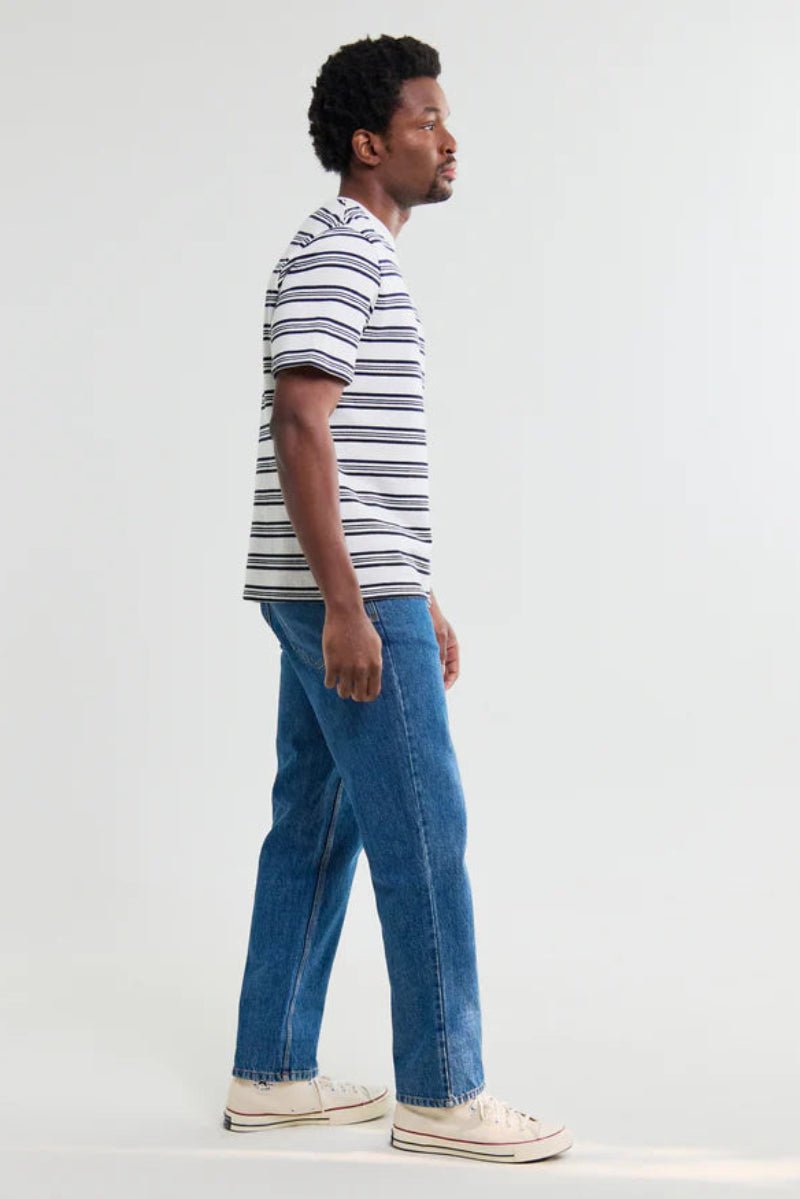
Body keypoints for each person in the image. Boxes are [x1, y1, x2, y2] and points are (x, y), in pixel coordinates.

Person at [223, 33, 573, 1164]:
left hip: (354, 585)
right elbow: (300, 423)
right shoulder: (343, 254)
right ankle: (442, 1088)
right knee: (425, 830)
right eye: (426, 121)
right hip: (341, 594)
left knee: (314, 827)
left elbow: (357, 457)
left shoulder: (354, 252)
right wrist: (351, 605)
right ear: (370, 144)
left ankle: (271, 1070)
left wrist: (412, 590)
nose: (446, 137)